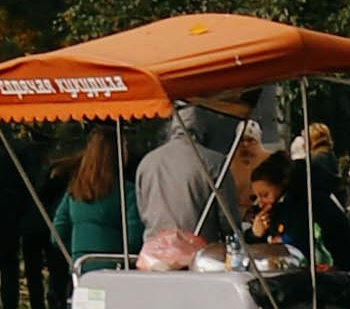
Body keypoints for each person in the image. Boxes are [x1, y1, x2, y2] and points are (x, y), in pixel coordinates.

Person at [130, 98, 236, 255]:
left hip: (154, 256)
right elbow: (228, 221)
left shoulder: (147, 163)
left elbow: (143, 212)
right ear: (204, 125)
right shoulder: (215, 163)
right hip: (199, 256)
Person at [56, 129, 129, 267]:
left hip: (80, 267)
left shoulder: (74, 190)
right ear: (115, 153)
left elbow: (57, 233)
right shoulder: (126, 191)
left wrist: (77, 249)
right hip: (114, 268)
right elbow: (134, 239)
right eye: (125, 146)